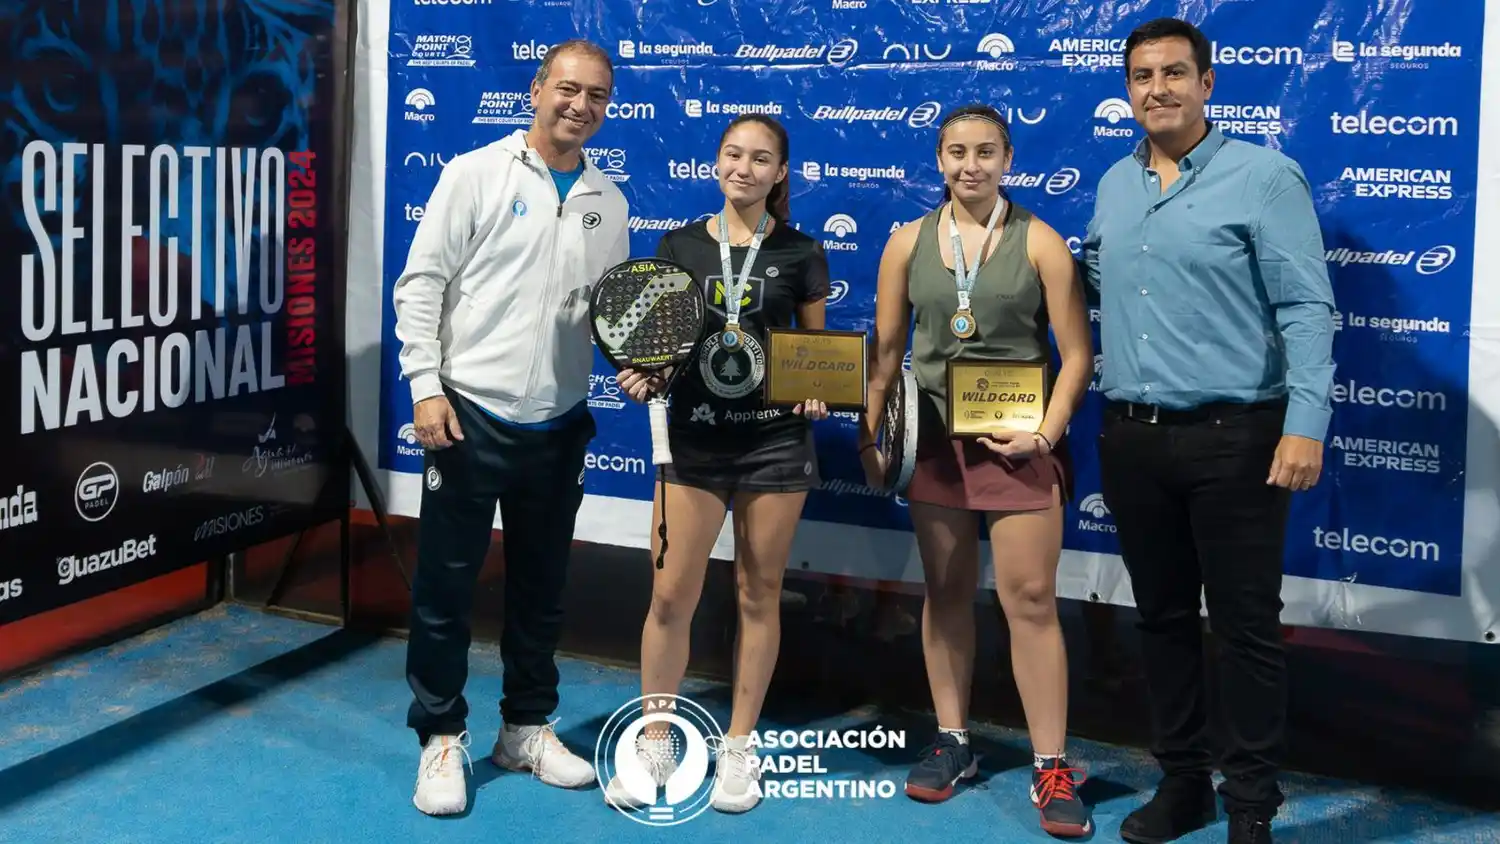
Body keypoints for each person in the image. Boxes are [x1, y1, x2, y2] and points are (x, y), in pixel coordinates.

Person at [1079, 17, 1336, 844]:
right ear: (1128, 90)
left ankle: (1251, 805)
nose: (1157, 89)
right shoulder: (1114, 184)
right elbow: (1088, 282)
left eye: (1174, 73)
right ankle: (1183, 783)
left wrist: (1306, 423)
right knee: (1160, 620)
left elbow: (1306, 307)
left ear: (1207, 83)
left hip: (1238, 437)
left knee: (1245, 628)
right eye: (1142, 76)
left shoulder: (1265, 177)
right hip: (1134, 438)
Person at [389, 39, 630, 816]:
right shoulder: (474, 173)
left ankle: (525, 728)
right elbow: (421, 285)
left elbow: (608, 315)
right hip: (468, 415)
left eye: (596, 95)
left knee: (541, 590)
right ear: (536, 89)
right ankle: (440, 737)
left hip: (559, 425)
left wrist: (637, 360)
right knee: (445, 589)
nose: (580, 105)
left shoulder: (609, 201)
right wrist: (426, 386)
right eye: (568, 88)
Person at [859, 104, 1095, 837]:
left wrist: (1044, 434)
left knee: (1031, 600)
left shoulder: (1041, 242)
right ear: (939, 160)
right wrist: (871, 440)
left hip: (1021, 447)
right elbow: (886, 353)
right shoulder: (906, 243)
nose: (971, 165)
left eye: (986, 152)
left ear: (1008, 159)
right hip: (935, 444)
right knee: (946, 592)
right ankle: (953, 740)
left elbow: (1078, 356)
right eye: (957, 152)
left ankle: (1051, 764)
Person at [608, 113, 831, 815]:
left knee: (758, 595)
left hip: (774, 445)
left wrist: (817, 389)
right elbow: (661, 345)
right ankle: (655, 743)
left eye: (761, 158)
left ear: (780, 172)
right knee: (670, 598)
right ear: (716, 163)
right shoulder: (678, 246)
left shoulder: (802, 252)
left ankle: (739, 745)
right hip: (693, 445)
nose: (745, 168)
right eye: (734, 154)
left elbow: (816, 354)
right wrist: (648, 374)